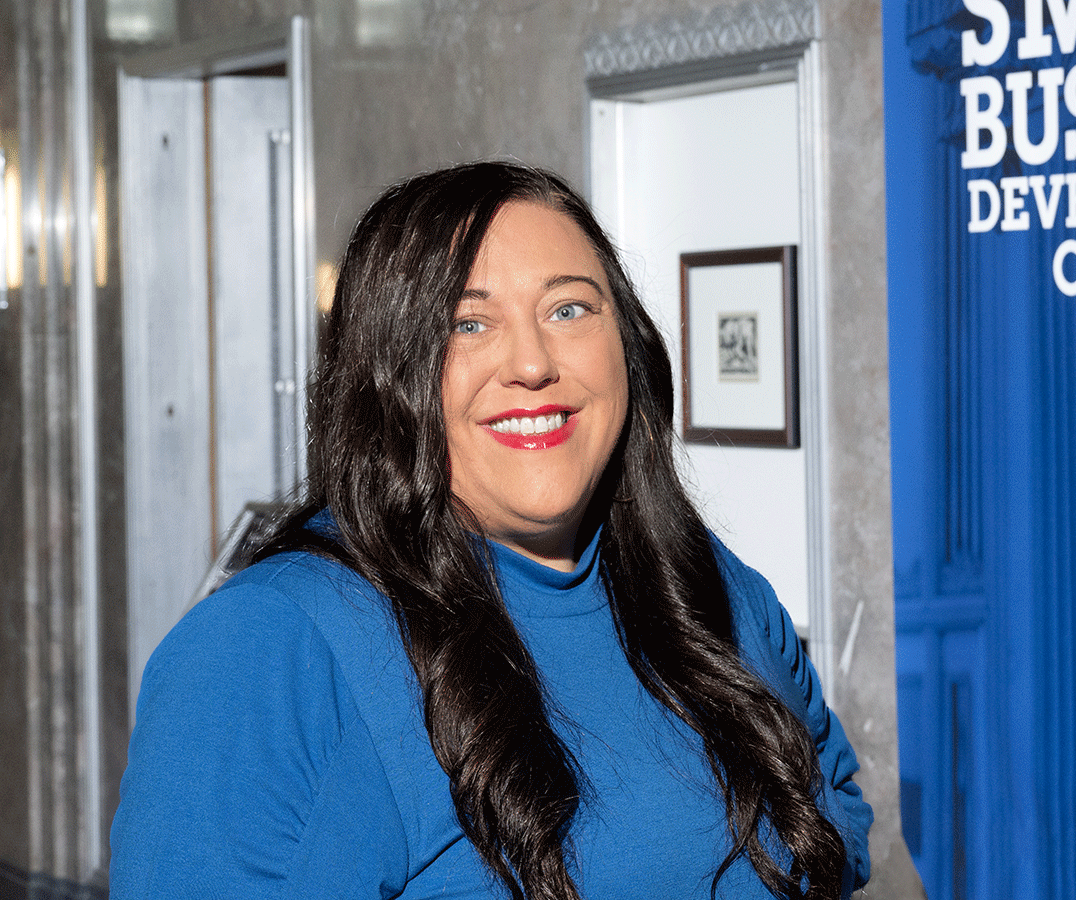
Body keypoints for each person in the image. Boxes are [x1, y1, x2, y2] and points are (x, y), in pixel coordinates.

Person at [110, 161, 873, 900]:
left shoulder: (700, 581)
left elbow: (835, 801)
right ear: (390, 375)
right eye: (467, 324)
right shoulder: (270, 650)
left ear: (627, 347)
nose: (533, 363)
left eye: (568, 309)